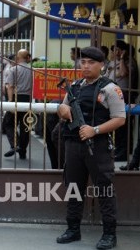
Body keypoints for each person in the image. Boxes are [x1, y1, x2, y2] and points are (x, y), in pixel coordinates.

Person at [56, 46, 125, 249]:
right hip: (74, 145)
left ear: (102, 65)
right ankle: (73, 229)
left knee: (104, 190)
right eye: (83, 62)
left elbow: (120, 119)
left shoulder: (110, 89)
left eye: (91, 63)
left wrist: (94, 130)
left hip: (98, 146)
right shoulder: (75, 86)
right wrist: (63, 109)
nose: (85, 66)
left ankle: (109, 234)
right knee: (74, 188)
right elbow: (62, 107)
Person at [4, 49, 33, 159]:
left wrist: (11, 101)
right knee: (25, 126)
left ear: (18, 57)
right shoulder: (33, 70)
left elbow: (10, 86)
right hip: (28, 99)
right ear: (27, 57)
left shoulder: (14, 69)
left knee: (9, 123)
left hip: (17, 97)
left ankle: (15, 144)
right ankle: (22, 151)